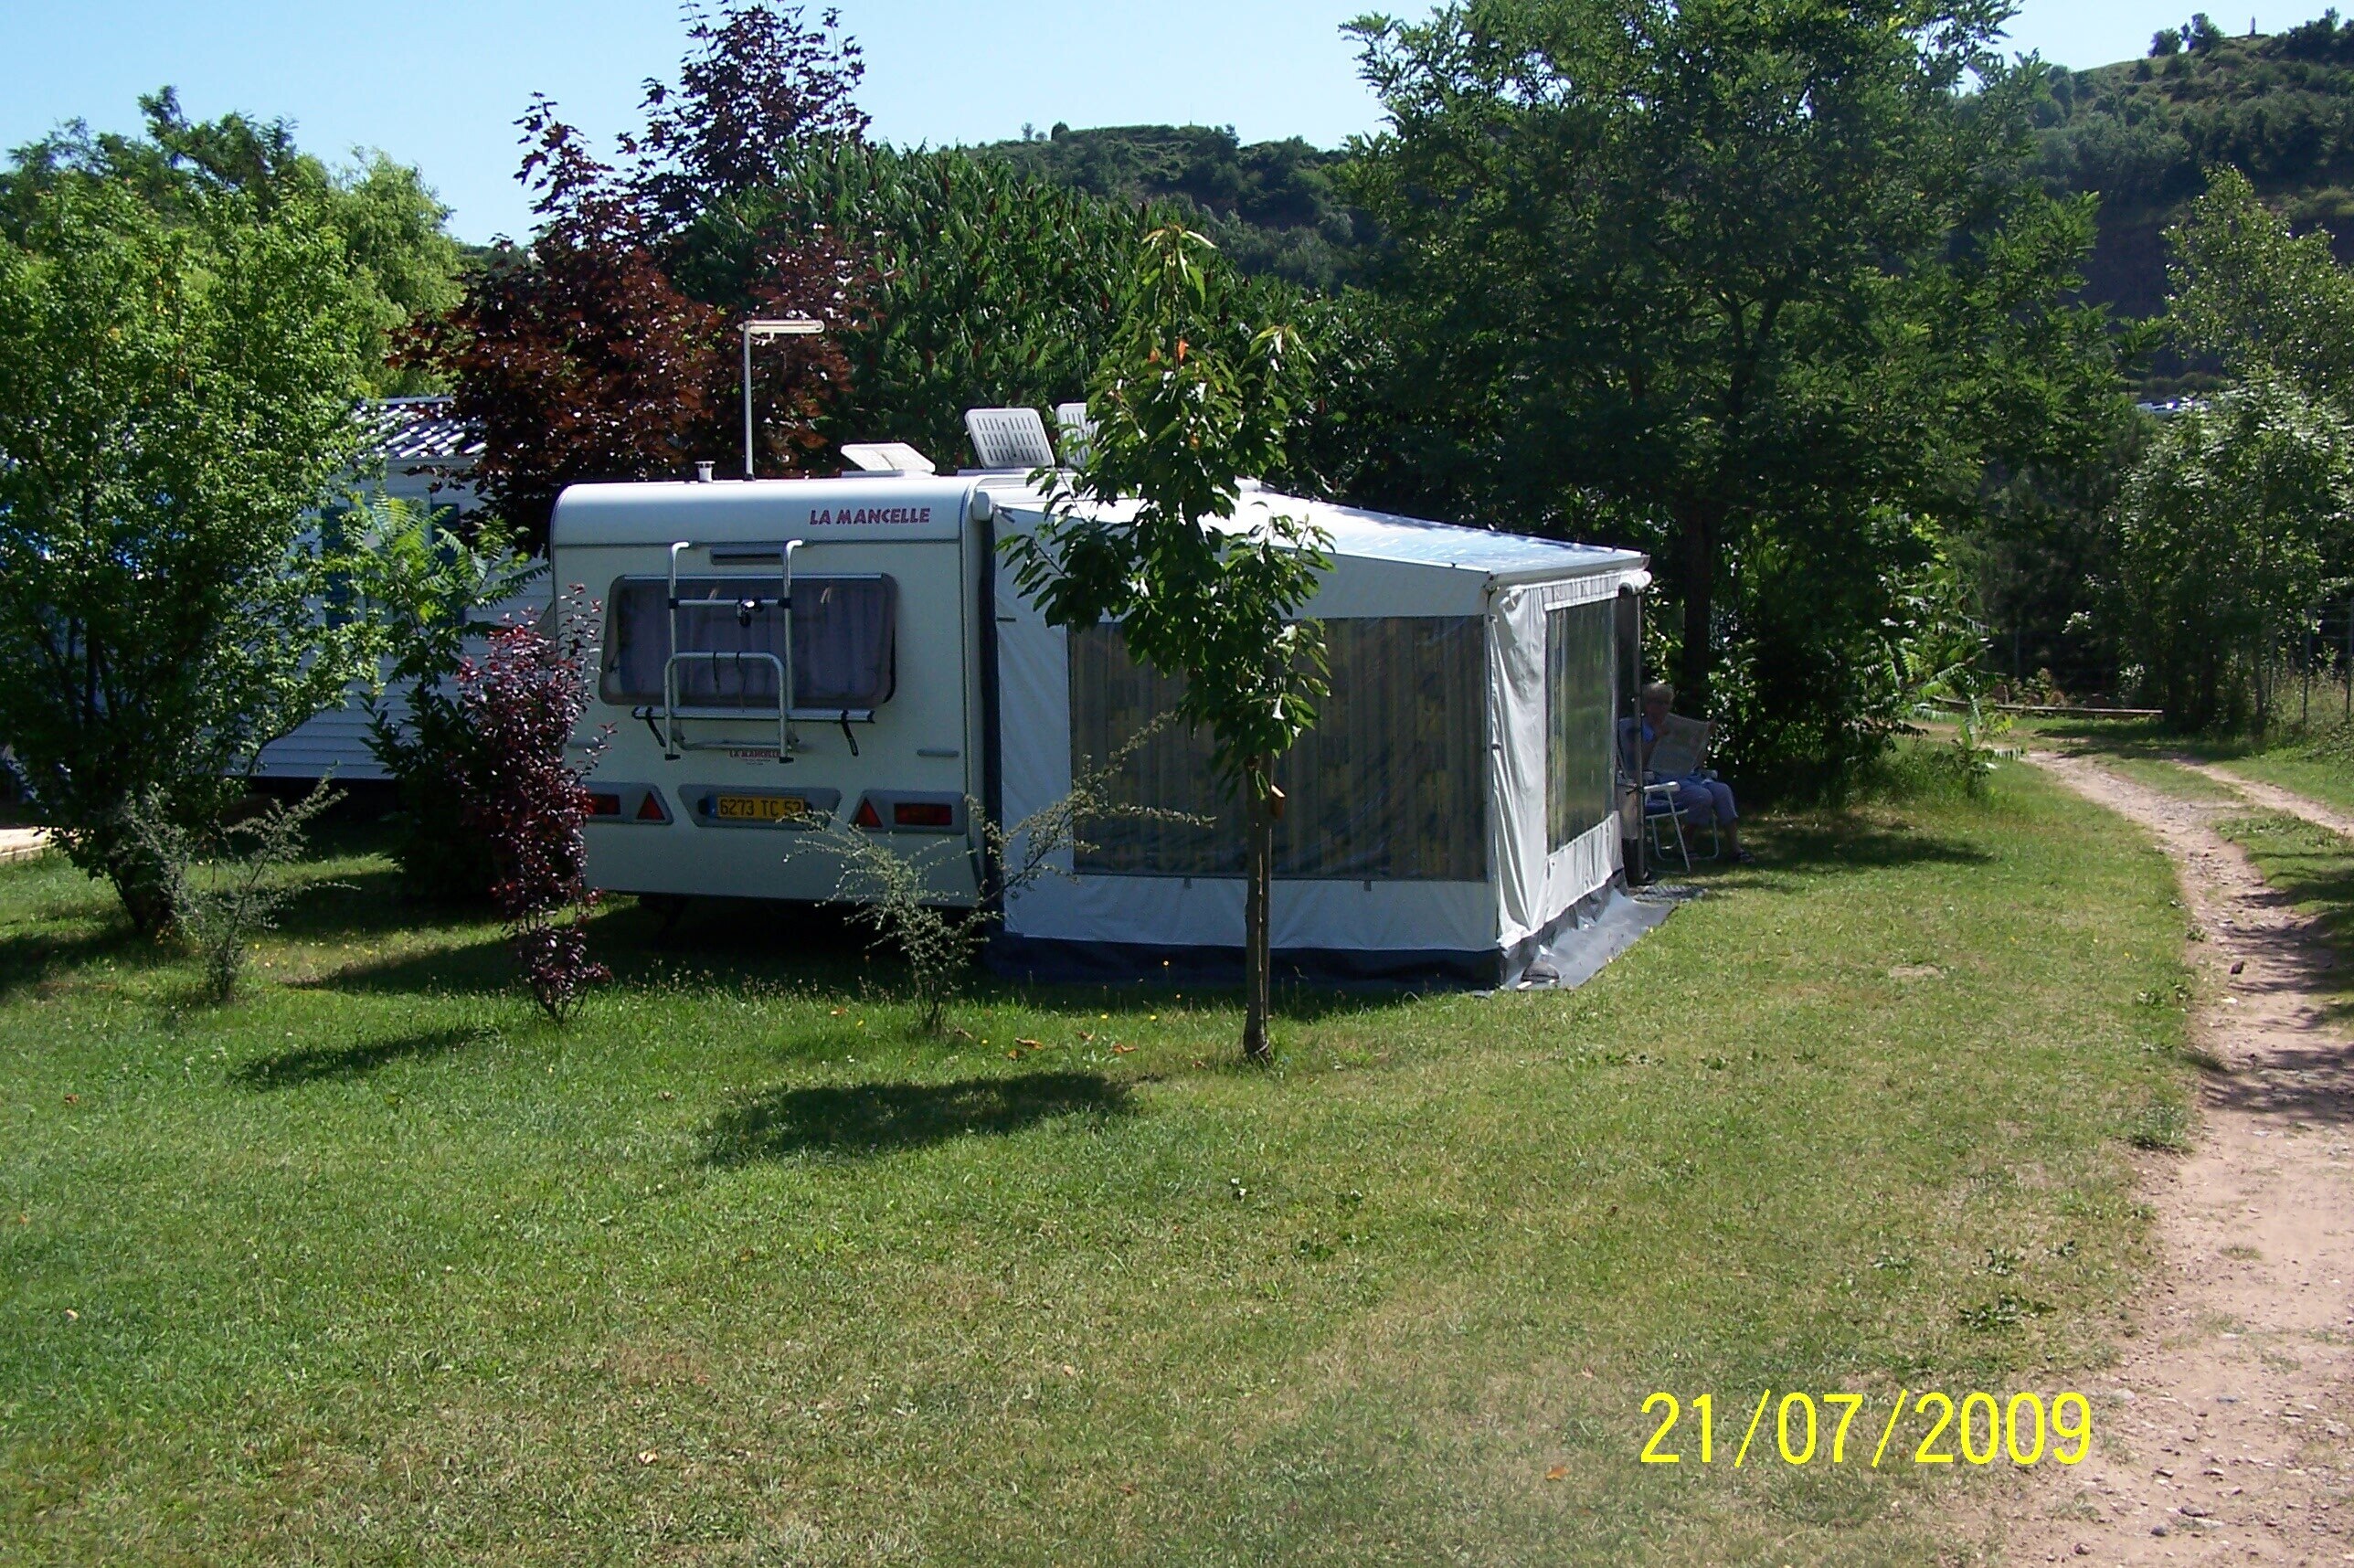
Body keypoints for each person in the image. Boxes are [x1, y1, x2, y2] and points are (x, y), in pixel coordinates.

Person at [1623, 682, 1751, 863]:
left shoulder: (1677, 727)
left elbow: (1697, 762)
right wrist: (1655, 740)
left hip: (1686, 776)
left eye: (1665, 703)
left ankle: (1735, 848)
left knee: (1722, 791)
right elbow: (1637, 763)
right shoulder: (1637, 729)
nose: (1659, 707)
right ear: (1645, 704)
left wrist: (1705, 739)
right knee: (1702, 796)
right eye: (1654, 702)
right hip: (1659, 780)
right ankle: (1686, 842)